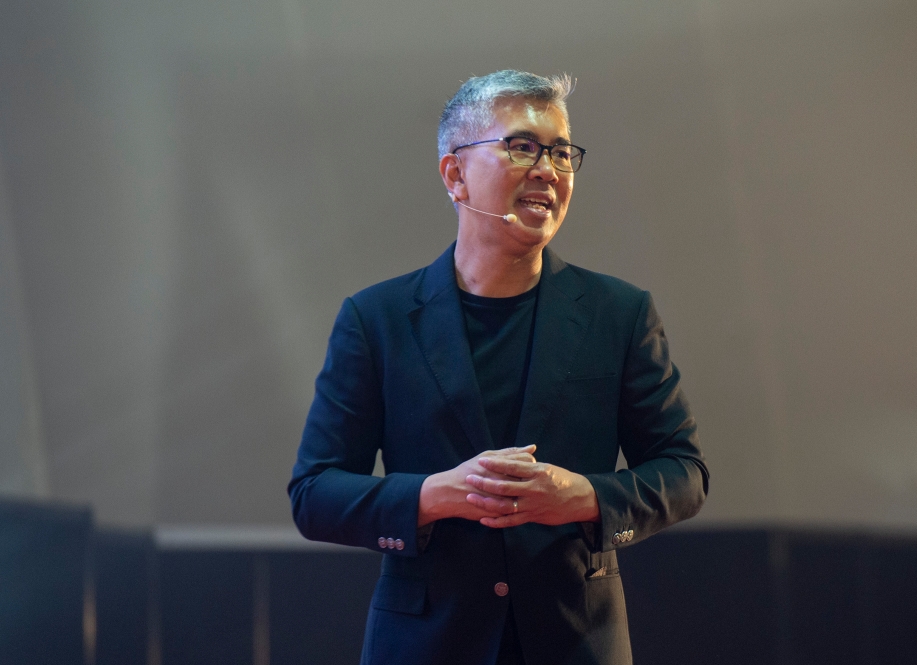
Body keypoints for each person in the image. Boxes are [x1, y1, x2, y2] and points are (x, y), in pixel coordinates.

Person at [289, 70, 708, 665]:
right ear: (455, 174)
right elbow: (315, 492)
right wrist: (435, 496)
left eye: (562, 154)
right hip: (425, 646)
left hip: (576, 643)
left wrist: (585, 496)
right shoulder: (376, 319)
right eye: (522, 147)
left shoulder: (619, 313)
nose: (549, 170)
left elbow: (684, 472)